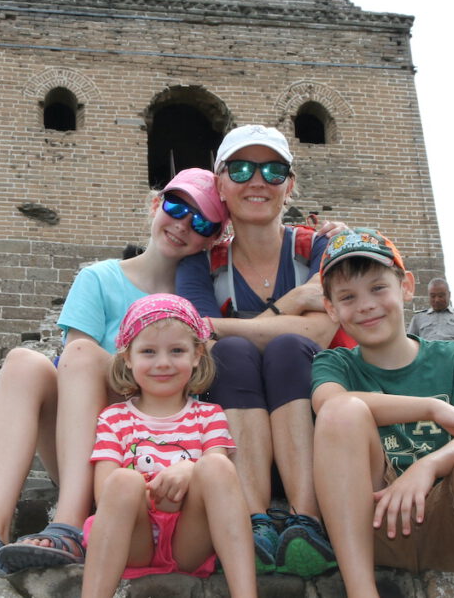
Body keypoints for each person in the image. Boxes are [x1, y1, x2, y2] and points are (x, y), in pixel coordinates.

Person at [0, 168, 228, 575]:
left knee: (82, 354)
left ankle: (72, 525)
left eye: (201, 222)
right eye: (176, 206)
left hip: (157, 464)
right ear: (155, 204)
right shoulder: (99, 278)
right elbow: (77, 372)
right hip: (94, 451)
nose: (183, 225)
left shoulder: (203, 300)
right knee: (28, 361)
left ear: (214, 239)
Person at [311, 228, 454, 598]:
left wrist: (426, 466)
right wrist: (432, 407)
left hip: (453, 524)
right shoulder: (333, 363)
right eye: (348, 297)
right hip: (372, 521)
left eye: (378, 288)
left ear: (406, 287)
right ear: (331, 308)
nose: (365, 305)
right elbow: (329, 405)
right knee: (342, 412)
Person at [176, 124, 341, 578]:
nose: (257, 181)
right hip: (233, 437)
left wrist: (219, 324)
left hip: (314, 433)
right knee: (231, 355)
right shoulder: (201, 263)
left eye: (273, 170)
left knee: (289, 349)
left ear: (289, 185)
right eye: (242, 168)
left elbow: (322, 333)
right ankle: (255, 521)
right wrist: (290, 304)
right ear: (221, 184)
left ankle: (306, 521)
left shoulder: (321, 247)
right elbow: (202, 345)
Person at [81, 294, 256, 598]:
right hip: (133, 542)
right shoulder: (114, 419)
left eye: (177, 350)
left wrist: (189, 469)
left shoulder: (209, 416)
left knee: (215, 465)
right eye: (148, 351)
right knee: (122, 479)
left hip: (189, 539)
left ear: (197, 355)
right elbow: (104, 495)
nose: (163, 363)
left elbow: (219, 479)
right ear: (128, 358)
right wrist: (153, 489)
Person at [407, 278, 454, 350]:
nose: (437, 300)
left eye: (441, 296)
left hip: (453, 359)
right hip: (427, 359)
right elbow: (410, 343)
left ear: (449, 295)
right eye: (433, 296)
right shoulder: (418, 318)